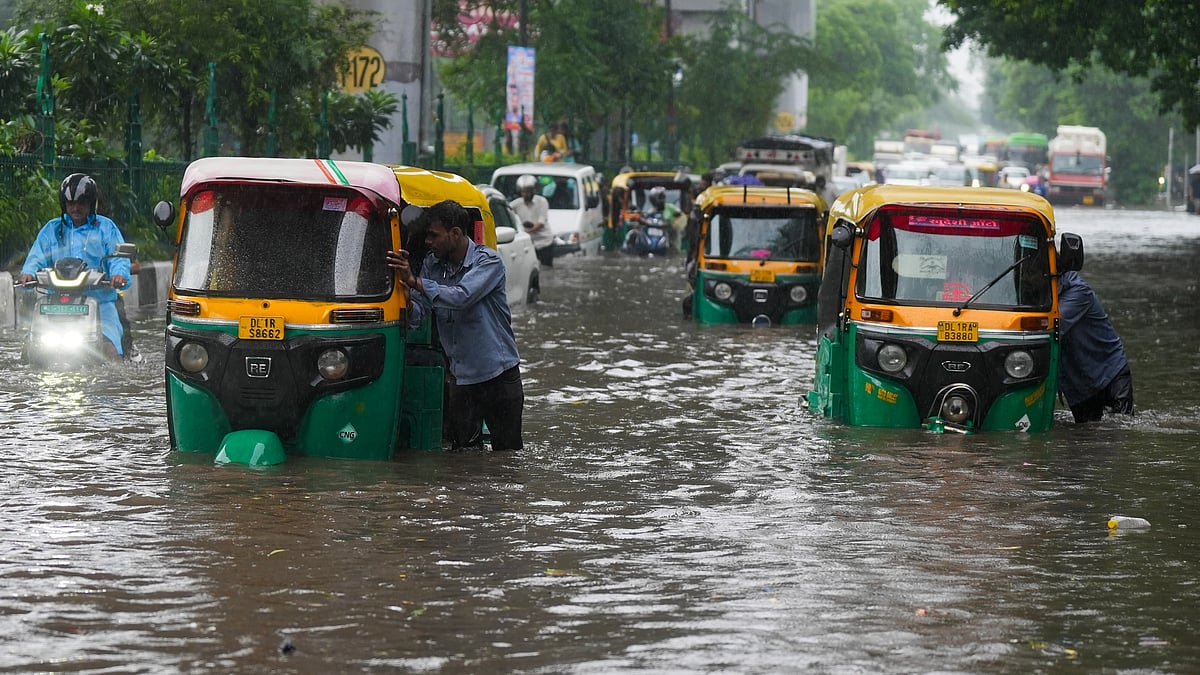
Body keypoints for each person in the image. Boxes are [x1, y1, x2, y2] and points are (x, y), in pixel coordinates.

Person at [386, 200, 524, 451]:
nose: (428, 242)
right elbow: (418, 316)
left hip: (498, 377)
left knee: (507, 457)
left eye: (433, 236)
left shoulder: (488, 262)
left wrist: (415, 282)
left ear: (456, 233)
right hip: (461, 379)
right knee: (464, 456)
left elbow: (461, 297)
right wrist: (404, 296)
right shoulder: (431, 265)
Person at [19, 173, 132, 359]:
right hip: (55, 303)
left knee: (110, 350)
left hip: (100, 303)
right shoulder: (51, 229)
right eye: (70, 203)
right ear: (64, 204)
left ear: (91, 203)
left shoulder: (106, 228)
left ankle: (113, 384)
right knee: (30, 349)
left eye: (81, 203)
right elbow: (36, 256)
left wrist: (119, 275)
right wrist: (28, 273)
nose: (75, 208)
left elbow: (118, 258)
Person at [1057, 269, 1134, 423]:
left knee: (1122, 428)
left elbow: (1053, 327)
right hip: (1079, 386)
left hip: (1111, 371)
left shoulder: (1078, 291)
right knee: (1086, 437)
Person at [511, 174, 555, 267]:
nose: (526, 194)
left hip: (544, 241)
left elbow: (541, 223)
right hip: (528, 244)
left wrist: (526, 232)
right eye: (523, 192)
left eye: (528, 192)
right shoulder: (516, 204)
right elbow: (507, 213)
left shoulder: (542, 202)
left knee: (546, 268)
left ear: (534, 191)